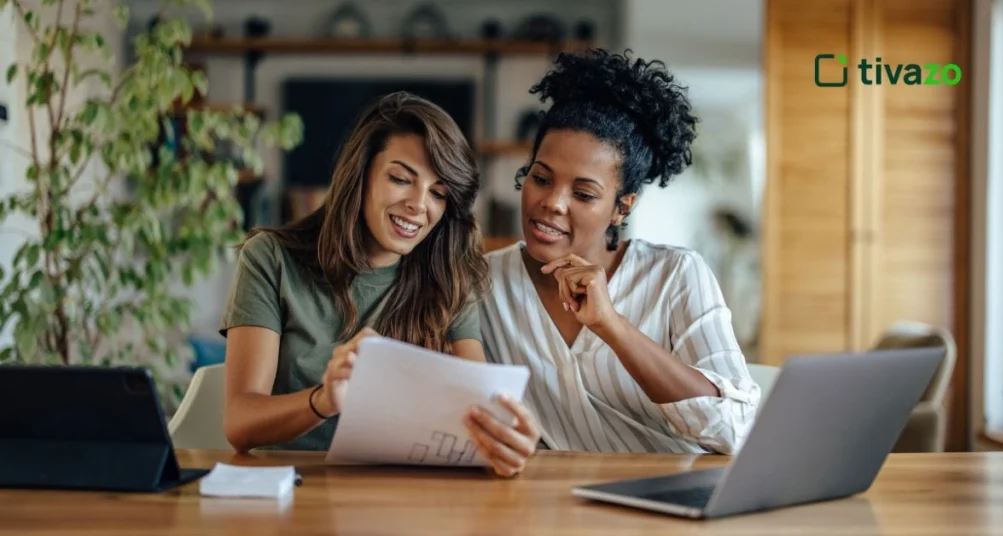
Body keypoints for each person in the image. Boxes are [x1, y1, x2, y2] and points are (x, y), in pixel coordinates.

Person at [468, 49, 762, 468]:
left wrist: (612, 326)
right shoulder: (482, 282)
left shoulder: (676, 276)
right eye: (540, 178)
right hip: (546, 510)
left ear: (622, 208)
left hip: (667, 507)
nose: (552, 203)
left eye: (583, 194)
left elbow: (737, 429)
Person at [219, 92, 533, 464]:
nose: (419, 205)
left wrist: (506, 438)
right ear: (360, 174)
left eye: (438, 193)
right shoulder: (272, 259)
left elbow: (482, 406)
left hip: (403, 494)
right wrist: (323, 400)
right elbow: (240, 423)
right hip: (294, 488)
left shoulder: (450, 276)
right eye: (401, 179)